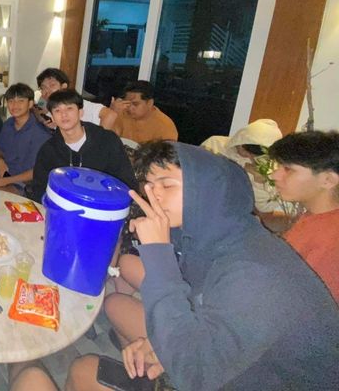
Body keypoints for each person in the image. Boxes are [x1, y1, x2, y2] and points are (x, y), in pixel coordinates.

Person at [66, 141, 339, 391]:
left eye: (167, 185)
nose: (153, 196)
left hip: (241, 378)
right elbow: (205, 319)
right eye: (149, 186)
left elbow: (194, 374)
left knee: (83, 371)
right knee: (107, 338)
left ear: (208, 190)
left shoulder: (255, 275)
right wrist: (161, 347)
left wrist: (157, 254)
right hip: (238, 368)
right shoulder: (207, 241)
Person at [30, 89, 136, 203]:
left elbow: (126, 183)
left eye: (69, 108)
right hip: (63, 209)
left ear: (80, 112)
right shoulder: (48, 150)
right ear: (53, 117)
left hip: (103, 207)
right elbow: (39, 189)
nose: (63, 115)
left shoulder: (107, 140)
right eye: (57, 110)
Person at [269, 130, 339, 303]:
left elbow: (305, 306)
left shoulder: (330, 241)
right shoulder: (314, 216)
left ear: (328, 180)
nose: (274, 175)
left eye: (288, 169)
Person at [201, 119, 283, 215]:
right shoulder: (215, 143)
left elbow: (264, 208)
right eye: (244, 148)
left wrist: (259, 181)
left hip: (232, 215)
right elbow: (194, 172)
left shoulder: (268, 169)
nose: (247, 155)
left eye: (253, 154)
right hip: (202, 200)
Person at [0, 83, 51, 193]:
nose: (15, 105)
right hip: (3, 175)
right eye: (11, 101)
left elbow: (36, 172)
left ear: (30, 104)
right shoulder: (8, 124)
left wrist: (6, 181)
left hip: (24, 186)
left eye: (21, 101)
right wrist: (0, 160)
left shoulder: (40, 134)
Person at [34, 68, 117, 131]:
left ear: (64, 86)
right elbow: (38, 106)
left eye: (52, 85)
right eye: (43, 87)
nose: (47, 91)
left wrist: (97, 144)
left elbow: (111, 115)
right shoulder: (49, 110)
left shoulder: (77, 103)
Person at [111, 80, 178, 143]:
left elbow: (167, 153)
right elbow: (109, 139)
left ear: (150, 103)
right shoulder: (121, 113)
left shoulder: (165, 125)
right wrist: (112, 114)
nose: (130, 108)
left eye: (135, 104)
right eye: (127, 103)